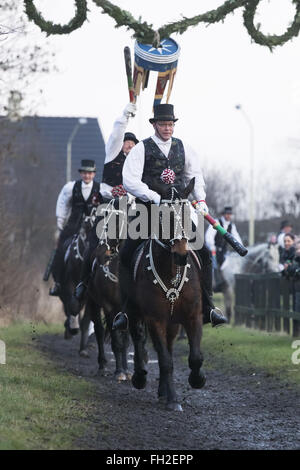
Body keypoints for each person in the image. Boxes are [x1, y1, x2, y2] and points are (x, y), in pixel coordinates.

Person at [113, 103, 227, 330]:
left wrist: (201, 200)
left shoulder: (185, 148)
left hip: (178, 210)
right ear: (154, 125)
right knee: (126, 253)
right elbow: (130, 181)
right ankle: (127, 310)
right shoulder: (141, 149)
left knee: (203, 252)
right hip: (148, 209)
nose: (167, 128)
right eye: (163, 124)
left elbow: (195, 176)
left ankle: (209, 307)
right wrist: (154, 197)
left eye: (170, 124)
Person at [72, 103, 138, 304]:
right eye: (126, 141)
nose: (128, 144)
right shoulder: (112, 155)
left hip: (134, 211)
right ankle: (83, 283)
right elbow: (117, 134)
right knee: (93, 242)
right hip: (109, 208)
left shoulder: (139, 163)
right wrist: (124, 117)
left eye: (132, 143)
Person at [49, 160, 100, 296]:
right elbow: (63, 203)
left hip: (93, 227)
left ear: (94, 174)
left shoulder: (100, 189)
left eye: (89, 173)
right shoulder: (71, 187)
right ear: (81, 173)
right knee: (60, 249)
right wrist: (60, 219)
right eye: (84, 173)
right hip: (74, 225)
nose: (87, 176)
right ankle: (58, 282)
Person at [205, 206, 242, 290]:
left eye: (230, 214)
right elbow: (209, 236)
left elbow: (236, 238)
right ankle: (212, 284)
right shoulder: (216, 222)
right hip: (213, 250)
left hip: (223, 253)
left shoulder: (232, 226)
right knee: (213, 266)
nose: (229, 216)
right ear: (224, 214)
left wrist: (240, 248)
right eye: (227, 214)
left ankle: (225, 284)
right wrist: (212, 246)